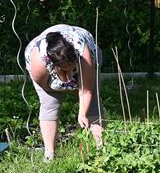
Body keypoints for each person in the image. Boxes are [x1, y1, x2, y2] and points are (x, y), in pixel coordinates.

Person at [24, 24, 103, 161]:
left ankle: (102, 150)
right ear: (54, 65)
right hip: (47, 76)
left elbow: (87, 90)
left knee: (92, 103)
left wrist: (82, 111)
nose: (68, 72)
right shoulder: (38, 61)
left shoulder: (84, 54)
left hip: (86, 50)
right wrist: (63, 88)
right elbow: (44, 86)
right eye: (64, 69)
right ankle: (49, 155)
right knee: (50, 103)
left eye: (70, 68)